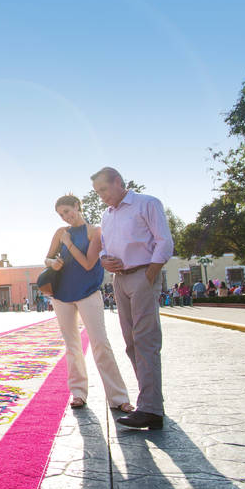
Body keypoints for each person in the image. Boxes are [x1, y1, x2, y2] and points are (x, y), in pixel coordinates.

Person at [91, 167, 173, 430]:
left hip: (142, 275)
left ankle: (149, 408)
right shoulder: (106, 215)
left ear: (118, 182)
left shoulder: (146, 204)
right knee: (130, 343)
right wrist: (104, 259)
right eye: (97, 192)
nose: (102, 196)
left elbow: (164, 241)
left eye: (104, 189)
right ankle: (152, 404)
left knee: (145, 340)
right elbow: (105, 247)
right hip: (120, 279)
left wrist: (151, 273)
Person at [44, 194, 134, 412]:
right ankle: (78, 393)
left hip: (88, 292)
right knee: (72, 346)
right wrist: (53, 263)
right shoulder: (60, 232)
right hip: (62, 295)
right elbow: (46, 258)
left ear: (77, 206)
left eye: (67, 211)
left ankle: (119, 397)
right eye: (60, 214)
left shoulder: (95, 231)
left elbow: (87, 263)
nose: (65, 217)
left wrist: (68, 244)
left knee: (100, 343)